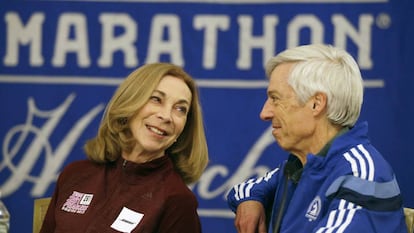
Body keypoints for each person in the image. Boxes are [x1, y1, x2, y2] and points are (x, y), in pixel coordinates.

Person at [227, 44, 407, 233]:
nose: (264, 113)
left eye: (275, 99)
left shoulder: (362, 175)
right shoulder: (300, 165)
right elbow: (247, 189)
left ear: (316, 104)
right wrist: (250, 201)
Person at [40, 63, 209, 233]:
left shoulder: (177, 199)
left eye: (180, 109)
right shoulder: (75, 174)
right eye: (156, 99)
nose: (166, 116)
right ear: (130, 103)